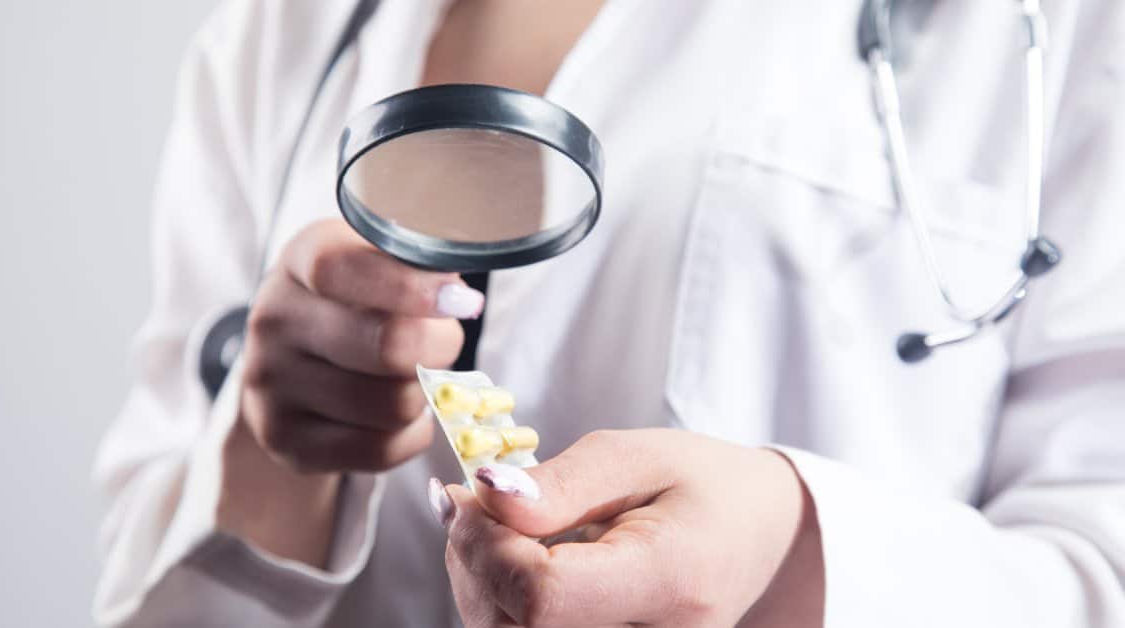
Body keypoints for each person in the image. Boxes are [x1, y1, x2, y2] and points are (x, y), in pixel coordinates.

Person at [93, 0, 1125, 626]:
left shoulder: (1052, 29)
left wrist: (795, 553)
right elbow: (152, 599)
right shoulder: (281, 32)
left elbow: (1102, 569)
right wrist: (275, 453)